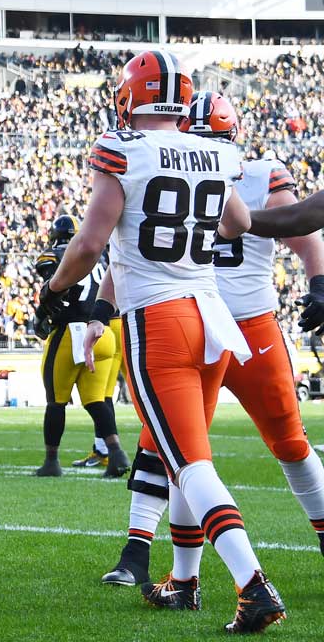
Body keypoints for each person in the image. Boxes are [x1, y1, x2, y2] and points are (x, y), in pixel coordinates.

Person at [43, 51, 282, 632]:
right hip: (213, 316)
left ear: (132, 94)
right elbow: (239, 224)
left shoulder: (122, 149)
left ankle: (253, 585)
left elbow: (89, 243)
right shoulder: (216, 150)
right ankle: (183, 581)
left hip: (160, 318)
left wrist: (52, 287)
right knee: (185, 458)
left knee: (191, 464)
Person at [101, 92, 324, 587]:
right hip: (220, 317)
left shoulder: (189, 166)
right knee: (186, 447)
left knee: (190, 450)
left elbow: (302, 229)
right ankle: (153, 560)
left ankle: (173, 572)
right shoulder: (248, 169)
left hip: (211, 319)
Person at [31, 216, 129, 478]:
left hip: (71, 333)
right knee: (97, 400)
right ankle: (116, 453)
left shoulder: (54, 254)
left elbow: (57, 285)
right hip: (103, 331)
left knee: (56, 402)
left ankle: (51, 461)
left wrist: (41, 314)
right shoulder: (100, 257)